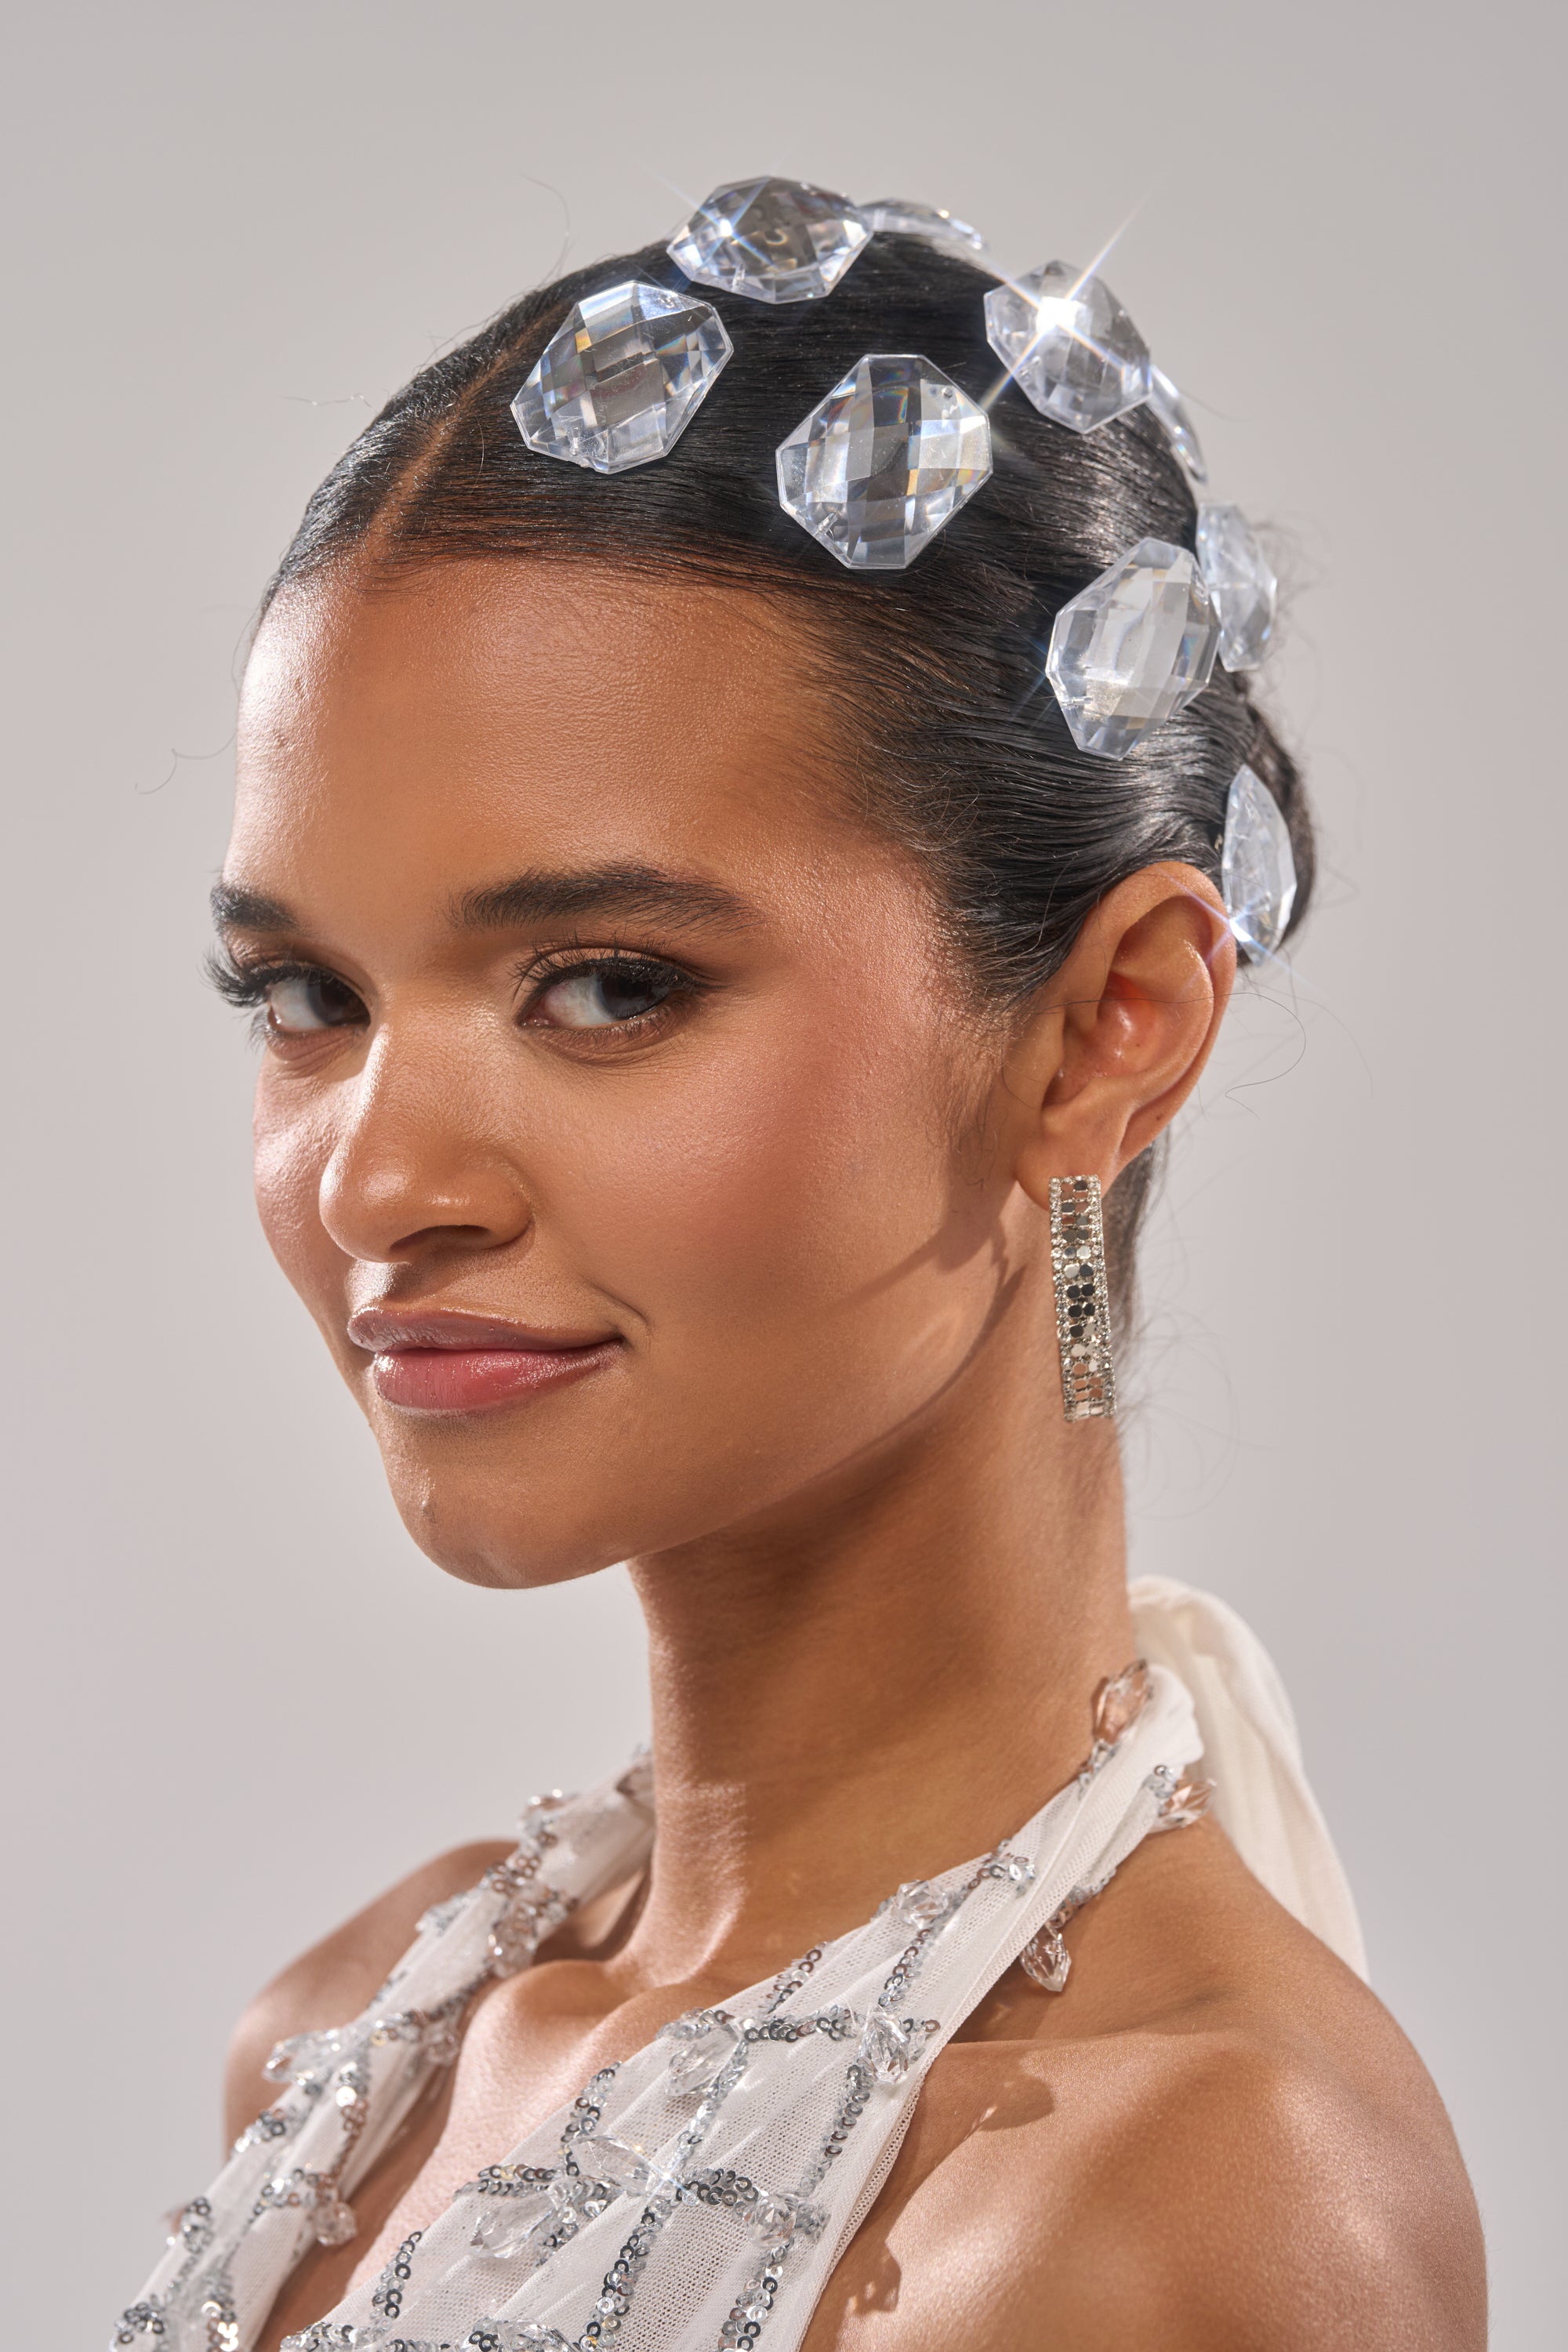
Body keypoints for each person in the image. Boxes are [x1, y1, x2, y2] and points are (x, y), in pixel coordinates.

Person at [116, 186, 1484, 2352]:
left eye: (602, 985)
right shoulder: (339, 2059)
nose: (378, 1179)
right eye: (308, 997)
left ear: (1111, 1022)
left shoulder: (1180, 2199)